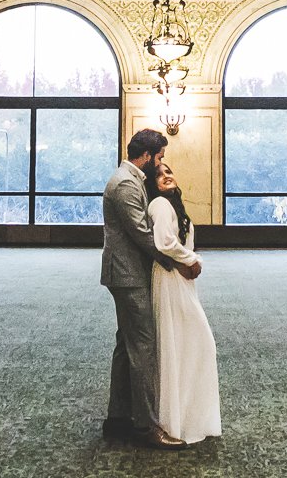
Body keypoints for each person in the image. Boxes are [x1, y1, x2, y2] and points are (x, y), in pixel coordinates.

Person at [100, 128, 200, 450]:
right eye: (159, 157)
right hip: (128, 277)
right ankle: (146, 427)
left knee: (125, 345)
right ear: (145, 155)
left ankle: (117, 418)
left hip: (126, 274)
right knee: (143, 347)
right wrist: (178, 263)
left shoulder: (129, 179)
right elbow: (143, 235)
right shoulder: (126, 183)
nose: (160, 163)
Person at [145, 160, 221, 445]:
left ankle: (189, 418)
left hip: (182, 281)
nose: (166, 176)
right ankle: (174, 420)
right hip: (169, 279)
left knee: (187, 344)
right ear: (151, 184)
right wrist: (192, 260)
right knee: (192, 342)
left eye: (168, 171)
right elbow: (165, 243)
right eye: (158, 174)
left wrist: (189, 263)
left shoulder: (174, 205)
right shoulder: (160, 206)